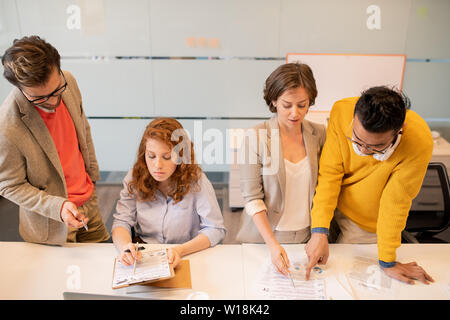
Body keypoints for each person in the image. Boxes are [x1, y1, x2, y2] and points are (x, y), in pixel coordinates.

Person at [305, 86, 435, 285]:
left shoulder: (418, 141)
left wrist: (388, 261)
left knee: (346, 277)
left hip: (368, 221)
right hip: (335, 201)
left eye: (375, 147)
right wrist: (319, 230)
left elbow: (395, 203)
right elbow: (330, 174)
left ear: (400, 130)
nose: (364, 150)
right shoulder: (341, 112)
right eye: (357, 140)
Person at [0, 35, 110, 244]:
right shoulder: (7, 125)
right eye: (39, 98)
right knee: (65, 275)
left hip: (88, 198)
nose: (52, 101)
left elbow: (83, 130)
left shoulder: (68, 81)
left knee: (102, 265)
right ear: (19, 88)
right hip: (51, 222)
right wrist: (58, 207)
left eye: (56, 90)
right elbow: (9, 185)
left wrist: (92, 177)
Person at [236, 63, 326, 275]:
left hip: (307, 237)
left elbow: (326, 187)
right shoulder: (256, 137)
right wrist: (273, 245)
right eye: (287, 105)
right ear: (274, 101)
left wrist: (319, 234)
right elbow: (252, 198)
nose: (295, 113)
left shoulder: (320, 134)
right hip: (265, 239)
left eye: (302, 105)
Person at [111, 118, 226, 268]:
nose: (157, 165)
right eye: (151, 156)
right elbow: (122, 222)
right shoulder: (134, 178)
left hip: (187, 253)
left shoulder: (197, 181)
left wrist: (180, 250)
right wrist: (126, 247)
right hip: (145, 255)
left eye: (167, 157)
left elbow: (215, 229)